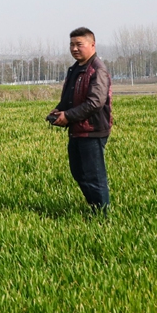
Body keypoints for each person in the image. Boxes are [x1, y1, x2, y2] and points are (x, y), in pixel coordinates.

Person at [47, 27, 112, 213]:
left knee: (94, 175)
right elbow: (71, 96)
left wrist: (67, 116)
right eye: (71, 45)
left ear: (92, 45)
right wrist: (60, 109)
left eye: (79, 44)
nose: (74, 48)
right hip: (77, 128)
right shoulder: (76, 68)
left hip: (92, 130)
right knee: (79, 172)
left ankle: (102, 214)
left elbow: (95, 103)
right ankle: (94, 207)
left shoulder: (97, 70)